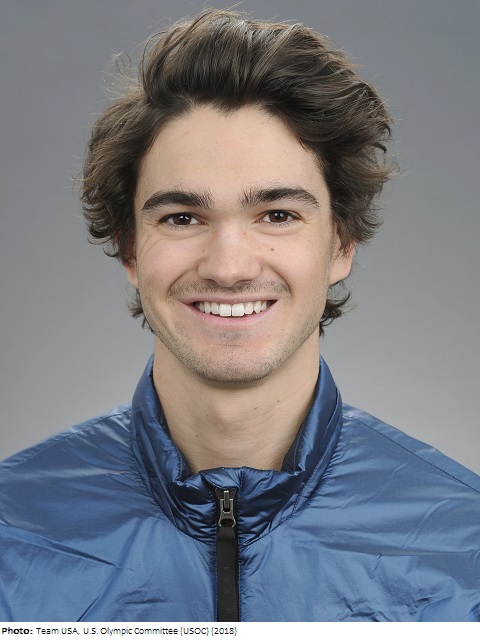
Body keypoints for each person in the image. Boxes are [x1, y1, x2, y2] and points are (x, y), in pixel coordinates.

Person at [0, 8, 479, 623]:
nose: (228, 267)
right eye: (182, 217)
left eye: (277, 215)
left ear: (341, 244)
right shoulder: (12, 530)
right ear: (129, 250)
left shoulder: (464, 546)